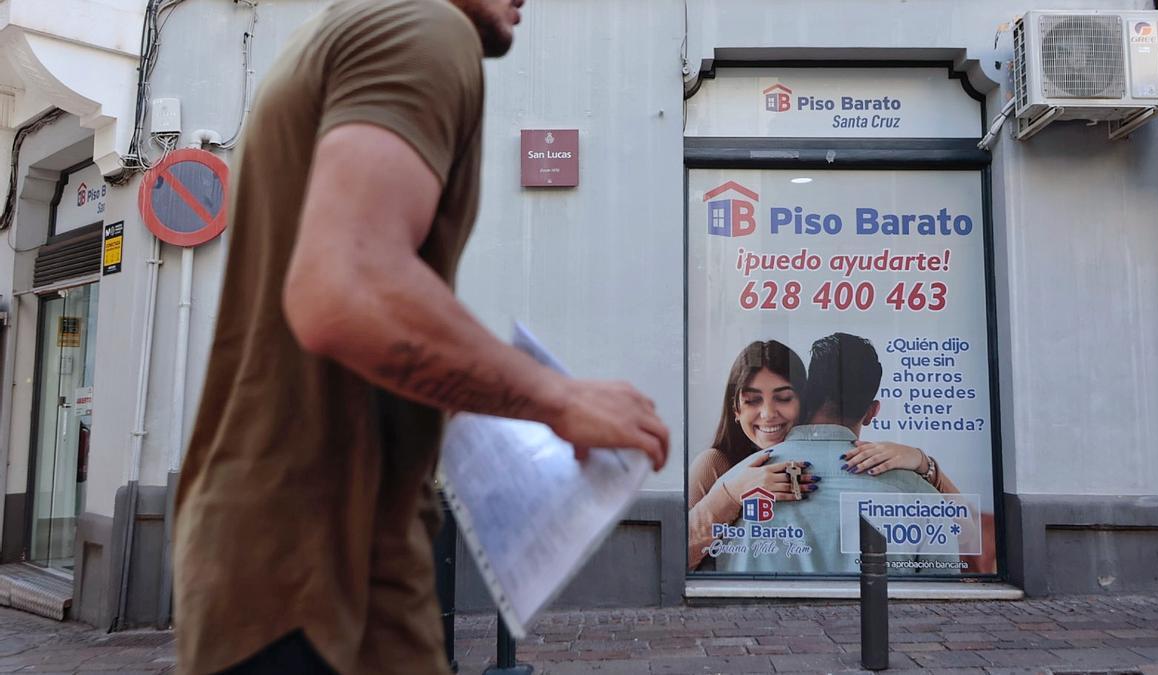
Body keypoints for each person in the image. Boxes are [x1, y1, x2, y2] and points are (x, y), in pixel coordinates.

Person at [172, 1, 669, 674]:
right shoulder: (425, 30)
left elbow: (349, 310)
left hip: (314, 572)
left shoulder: (339, 33)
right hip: (315, 580)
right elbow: (346, 291)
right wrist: (555, 397)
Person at [711, 333, 960, 574]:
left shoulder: (734, 486)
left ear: (805, 398)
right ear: (873, 412)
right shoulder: (920, 496)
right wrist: (923, 465)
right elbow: (948, 594)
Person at [687, 340, 817, 571]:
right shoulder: (714, 464)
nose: (767, 414)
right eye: (752, 400)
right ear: (736, 409)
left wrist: (904, 456)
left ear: (803, 404)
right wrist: (733, 493)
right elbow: (676, 561)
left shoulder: (820, 459)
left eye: (784, 398)